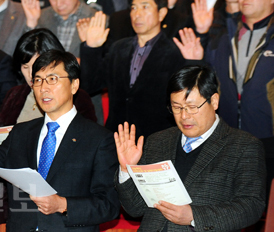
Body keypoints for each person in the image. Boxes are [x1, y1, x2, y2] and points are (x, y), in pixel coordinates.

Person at [0, 50, 120, 232]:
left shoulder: (99, 139)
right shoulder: (22, 132)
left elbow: (109, 206)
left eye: (52, 79)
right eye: (38, 80)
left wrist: (63, 205)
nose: (43, 88)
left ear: (74, 85)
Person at [114, 65, 266, 231]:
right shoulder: (158, 141)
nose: (184, 116)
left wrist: (194, 216)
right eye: (177, 107)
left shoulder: (243, 146)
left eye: (192, 107)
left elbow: (251, 206)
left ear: (214, 101)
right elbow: (135, 209)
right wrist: (126, 170)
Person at [80, 0, 196, 138]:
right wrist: (91, 48)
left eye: (145, 7)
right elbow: (90, 85)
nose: (137, 14)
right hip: (116, 138)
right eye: (133, 8)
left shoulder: (174, 53)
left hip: (156, 140)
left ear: (161, 13)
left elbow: (187, 100)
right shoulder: (118, 48)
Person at [181, 0, 274, 139]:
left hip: (267, 138)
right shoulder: (225, 34)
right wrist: (195, 61)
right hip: (226, 136)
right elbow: (206, 81)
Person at [0, 28, 97, 126]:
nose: (31, 74)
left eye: (38, 67)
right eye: (25, 67)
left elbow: (88, 136)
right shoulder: (14, 94)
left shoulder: (77, 98)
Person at [23, 0, 98, 58]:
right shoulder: (41, 16)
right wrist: (31, 23)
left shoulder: (96, 19)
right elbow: (25, 57)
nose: (59, 4)